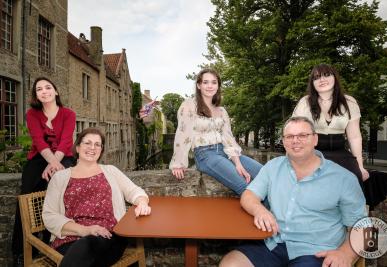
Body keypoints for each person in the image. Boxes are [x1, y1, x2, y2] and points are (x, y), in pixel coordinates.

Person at [220, 117, 366, 267]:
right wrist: (260, 211)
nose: (295, 141)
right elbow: (249, 195)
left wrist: (346, 254)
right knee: (231, 263)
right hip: (273, 244)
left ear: (315, 139)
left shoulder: (343, 178)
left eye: (303, 135)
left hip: (316, 252)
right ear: (283, 141)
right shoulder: (273, 167)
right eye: (289, 136)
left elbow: (362, 226)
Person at [42, 128, 151, 267]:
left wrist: (142, 203)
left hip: (109, 236)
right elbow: (49, 215)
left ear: (101, 149)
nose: (92, 148)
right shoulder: (59, 177)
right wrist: (85, 230)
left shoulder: (111, 171)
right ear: (78, 147)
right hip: (70, 238)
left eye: (97, 144)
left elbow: (135, 191)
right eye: (87, 143)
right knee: (84, 250)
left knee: (87, 246)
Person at [12, 77, 76, 264]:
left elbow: (65, 141)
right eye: (39, 89)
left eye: (48, 87)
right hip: (39, 158)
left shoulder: (69, 114)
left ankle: (52, 244)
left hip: (64, 157)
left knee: (59, 197)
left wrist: (54, 164)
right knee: (25, 197)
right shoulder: (32, 114)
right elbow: (38, 141)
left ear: (56, 91)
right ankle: (20, 251)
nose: (44, 91)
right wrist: (52, 163)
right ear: (36, 95)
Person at [169, 68, 262, 195]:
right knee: (246, 185)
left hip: (225, 151)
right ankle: (264, 213)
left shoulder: (222, 111)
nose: (210, 86)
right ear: (199, 85)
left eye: (214, 82)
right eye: (205, 82)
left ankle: (280, 212)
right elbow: (183, 134)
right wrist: (178, 163)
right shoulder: (189, 106)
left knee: (264, 174)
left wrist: (238, 163)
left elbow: (228, 138)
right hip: (205, 154)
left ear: (218, 86)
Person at [292, 63, 369, 183]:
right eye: (316, 77)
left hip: (341, 154)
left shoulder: (349, 102)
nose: (322, 80)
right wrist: (293, 160)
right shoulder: (304, 103)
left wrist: (360, 166)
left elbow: (354, 137)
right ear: (312, 83)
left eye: (326, 75)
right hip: (312, 153)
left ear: (335, 78)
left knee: (353, 179)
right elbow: (293, 133)